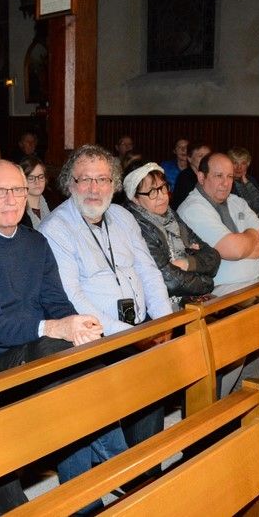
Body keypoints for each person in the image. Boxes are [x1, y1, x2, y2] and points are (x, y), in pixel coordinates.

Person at [0, 160, 126, 511]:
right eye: (0, 191)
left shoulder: (35, 242)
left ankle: (85, 500)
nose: (12, 199)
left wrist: (75, 324)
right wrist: (53, 328)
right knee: (66, 366)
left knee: (81, 366)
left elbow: (56, 302)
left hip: (39, 350)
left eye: (18, 190)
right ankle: (125, 469)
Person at [39, 146, 172, 457]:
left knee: (159, 374)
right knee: (142, 374)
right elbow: (73, 297)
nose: (94, 188)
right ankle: (135, 469)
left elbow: (148, 271)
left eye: (102, 179)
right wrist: (132, 336)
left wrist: (165, 321)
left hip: (139, 328)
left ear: (114, 183)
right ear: (69, 184)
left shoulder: (123, 217)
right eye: (85, 179)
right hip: (97, 337)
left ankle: (148, 466)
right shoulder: (56, 229)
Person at [178, 152, 259, 395]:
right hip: (224, 290)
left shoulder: (236, 201)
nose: (225, 183)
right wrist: (251, 234)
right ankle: (236, 399)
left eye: (230, 177)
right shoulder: (193, 207)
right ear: (201, 177)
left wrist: (241, 245)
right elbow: (233, 249)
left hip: (257, 282)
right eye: (218, 176)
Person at [123, 162, 220, 307]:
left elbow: (213, 256)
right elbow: (170, 281)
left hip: (188, 298)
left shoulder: (171, 216)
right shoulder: (135, 226)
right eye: (152, 192)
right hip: (159, 306)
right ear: (135, 198)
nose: (162, 196)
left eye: (163, 187)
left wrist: (187, 263)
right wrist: (207, 282)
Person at [171, 140, 211, 209]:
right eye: (200, 156)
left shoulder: (210, 175)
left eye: (208, 156)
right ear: (189, 159)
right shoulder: (185, 179)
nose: (206, 159)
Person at [227, 146, 259, 215]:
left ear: (247, 165)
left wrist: (246, 183)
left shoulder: (250, 180)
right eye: (235, 163)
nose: (239, 167)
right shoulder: (226, 181)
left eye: (243, 163)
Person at [19, 156, 50, 229]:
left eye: (41, 177)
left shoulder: (53, 205)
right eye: (31, 178)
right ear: (22, 180)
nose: (37, 182)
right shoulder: (18, 214)